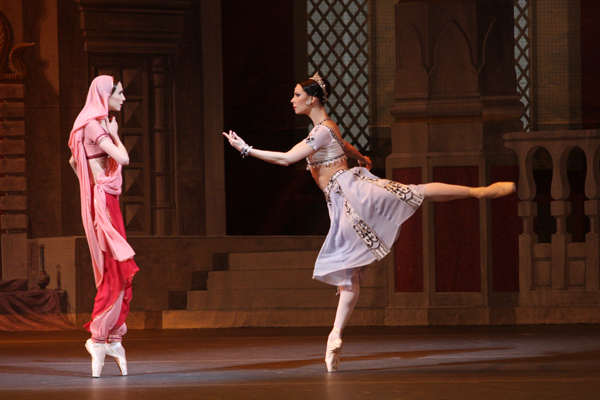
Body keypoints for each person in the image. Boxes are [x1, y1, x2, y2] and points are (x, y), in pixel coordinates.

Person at [222, 72, 515, 372]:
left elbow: (286, 159)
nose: (292, 100)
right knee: (353, 272)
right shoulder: (327, 129)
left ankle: (478, 191)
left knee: (409, 199)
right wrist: (361, 156)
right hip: (342, 199)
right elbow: (343, 144)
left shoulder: (321, 131)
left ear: (311, 99)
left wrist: (245, 149)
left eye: (296, 95)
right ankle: (334, 336)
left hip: (350, 192)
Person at [69, 75, 139, 378]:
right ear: (103, 94)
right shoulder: (96, 125)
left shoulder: (84, 124)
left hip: (101, 199)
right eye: (119, 93)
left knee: (115, 267)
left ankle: (111, 337)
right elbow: (123, 157)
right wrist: (115, 135)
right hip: (103, 204)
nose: (123, 98)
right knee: (115, 268)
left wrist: (93, 183)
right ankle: (100, 336)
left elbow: (75, 164)